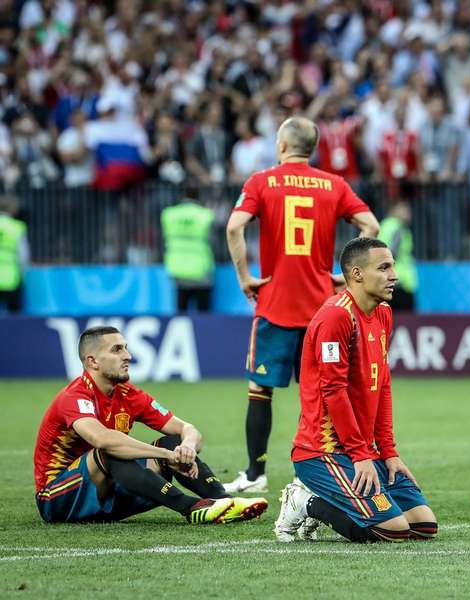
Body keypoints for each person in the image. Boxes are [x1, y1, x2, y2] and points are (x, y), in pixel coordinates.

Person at [224, 116, 379, 494]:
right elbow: (371, 227)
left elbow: (234, 227)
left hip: (275, 306)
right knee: (327, 393)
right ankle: (318, 472)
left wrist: (245, 277)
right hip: (321, 311)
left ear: (281, 146)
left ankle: (254, 472)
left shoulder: (261, 181)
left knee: (260, 391)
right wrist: (346, 275)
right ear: (312, 149)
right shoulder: (334, 184)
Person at [274, 237, 437, 543]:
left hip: (364, 451)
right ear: (358, 274)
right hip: (323, 452)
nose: (394, 275)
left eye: (393, 266)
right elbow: (334, 391)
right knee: (394, 530)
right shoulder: (336, 317)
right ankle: (305, 502)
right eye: (384, 267)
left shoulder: (384, 313)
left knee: (424, 526)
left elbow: (383, 383)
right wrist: (361, 455)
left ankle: (343, 494)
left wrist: (388, 452)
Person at [33, 326, 268, 524]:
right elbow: (102, 440)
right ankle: (191, 507)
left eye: (126, 347)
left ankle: (225, 501)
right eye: (117, 349)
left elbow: (187, 429)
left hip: (109, 492)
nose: (128, 355)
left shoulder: (128, 394)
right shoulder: (75, 397)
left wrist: (185, 447)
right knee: (112, 450)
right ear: (92, 361)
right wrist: (166, 455)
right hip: (57, 499)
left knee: (173, 441)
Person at [160, 185, 215, 313]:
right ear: (199, 197)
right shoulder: (206, 214)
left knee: (181, 311)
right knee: (204, 314)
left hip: (177, 266)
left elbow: (163, 239)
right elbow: (215, 241)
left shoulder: (169, 214)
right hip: (201, 267)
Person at [377, 200, 417, 312]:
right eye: (404, 209)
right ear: (394, 210)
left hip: (391, 281)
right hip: (400, 283)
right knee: (403, 321)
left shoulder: (384, 226)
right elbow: (391, 254)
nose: (408, 212)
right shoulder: (397, 228)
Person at [0, 196, 27, 314]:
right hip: (11, 277)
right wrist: (23, 272)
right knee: (14, 316)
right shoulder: (17, 227)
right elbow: (23, 254)